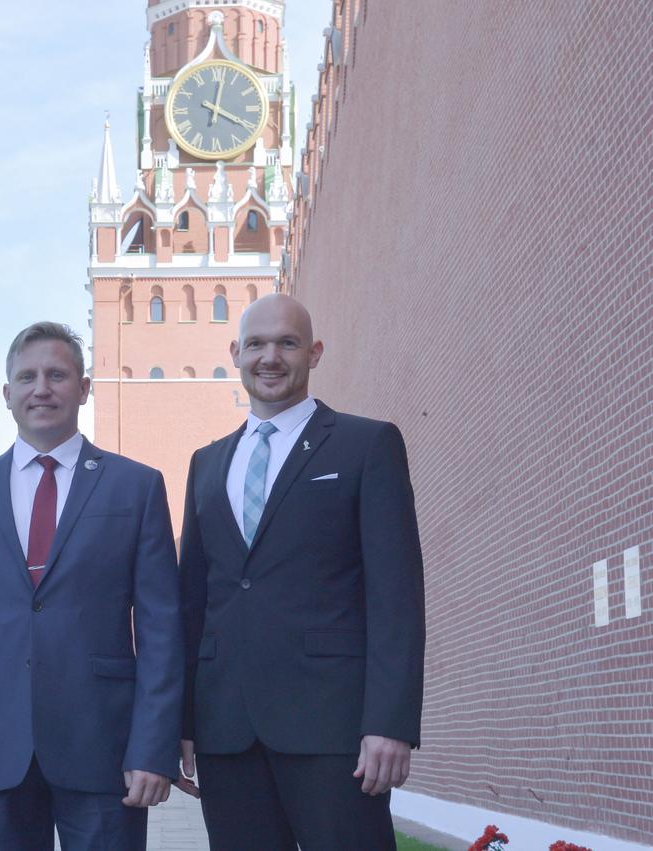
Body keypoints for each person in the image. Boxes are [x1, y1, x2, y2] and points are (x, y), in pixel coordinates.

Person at [0, 322, 183, 850]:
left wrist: (153, 746)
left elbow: (161, 628)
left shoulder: (135, 486)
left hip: (105, 743)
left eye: (58, 375)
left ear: (84, 388)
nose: (42, 388)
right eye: (27, 377)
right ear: (6, 393)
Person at [178, 294, 426, 850]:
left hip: (333, 729)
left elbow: (396, 597)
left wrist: (390, 722)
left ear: (313, 353)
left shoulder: (367, 444)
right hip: (227, 729)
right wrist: (186, 722)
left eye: (287, 343)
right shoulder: (206, 463)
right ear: (235, 353)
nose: (271, 357)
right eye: (257, 344)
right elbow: (194, 602)